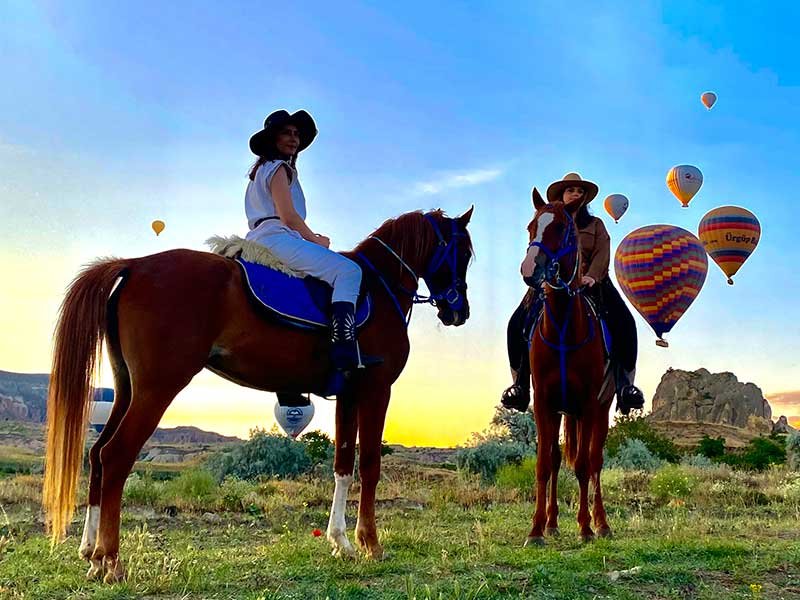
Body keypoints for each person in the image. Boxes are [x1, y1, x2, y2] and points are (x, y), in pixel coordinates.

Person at [501, 173, 645, 415]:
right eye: (571, 190)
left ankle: (625, 386)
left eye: (580, 191)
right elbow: (539, 246)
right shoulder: (549, 221)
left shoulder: (595, 224)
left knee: (625, 321)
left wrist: (592, 275)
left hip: (593, 283)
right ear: (561, 196)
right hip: (552, 283)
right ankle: (520, 385)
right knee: (516, 323)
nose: (576, 194)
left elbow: (602, 252)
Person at [244, 109, 375, 375]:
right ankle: (343, 345)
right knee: (349, 271)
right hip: (279, 237)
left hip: (257, 238)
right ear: (273, 139)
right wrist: (316, 240)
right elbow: (289, 216)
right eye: (286, 133)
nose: (293, 139)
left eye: (296, 134)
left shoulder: (258, 173)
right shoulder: (280, 168)